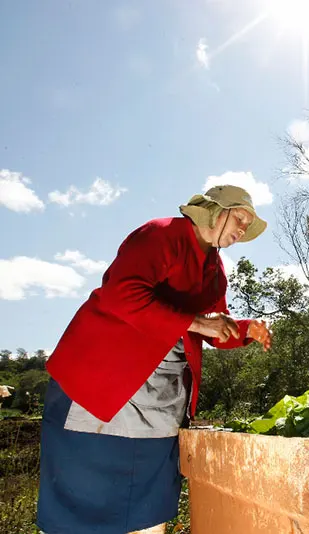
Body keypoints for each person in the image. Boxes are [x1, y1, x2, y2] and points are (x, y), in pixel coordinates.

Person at [37, 185, 273, 534]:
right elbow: (122, 294)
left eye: (247, 225)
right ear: (215, 210)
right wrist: (197, 322)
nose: (242, 230)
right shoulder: (161, 235)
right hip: (102, 387)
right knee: (83, 505)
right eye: (239, 218)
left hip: (161, 404)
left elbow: (211, 327)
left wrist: (244, 330)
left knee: (149, 507)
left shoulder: (215, 270)